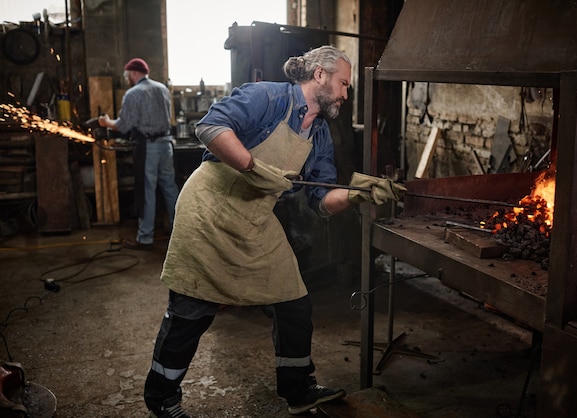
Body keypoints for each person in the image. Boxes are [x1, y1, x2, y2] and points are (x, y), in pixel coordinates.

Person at [143, 45, 406, 418]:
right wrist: (251, 165)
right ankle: (161, 397)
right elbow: (210, 127)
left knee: (294, 301)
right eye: (344, 84)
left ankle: (298, 389)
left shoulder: (319, 135)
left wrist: (356, 194)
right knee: (193, 309)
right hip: (209, 208)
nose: (347, 94)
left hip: (255, 217)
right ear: (320, 75)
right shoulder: (266, 96)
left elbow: (321, 199)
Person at [98, 58, 180, 250]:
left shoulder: (134, 93)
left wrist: (106, 122)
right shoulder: (162, 89)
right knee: (170, 187)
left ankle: (145, 238)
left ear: (134, 73)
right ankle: (180, 232)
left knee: (147, 190)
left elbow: (123, 125)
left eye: (127, 75)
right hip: (166, 144)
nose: (127, 79)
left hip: (149, 147)